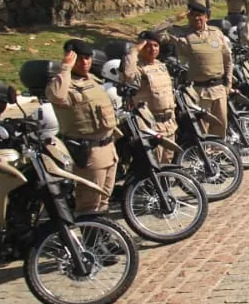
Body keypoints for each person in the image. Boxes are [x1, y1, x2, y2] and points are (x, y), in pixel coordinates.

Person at [46, 40, 119, 214]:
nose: (85, 63)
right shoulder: (62, 83)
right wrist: (65, 68)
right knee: (89, 204)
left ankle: (102, 237)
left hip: (108, 149)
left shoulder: (92, 80)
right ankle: (90, 239)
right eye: (79, 59)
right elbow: (56, 96)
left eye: (88, 58)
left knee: (104, 200)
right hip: (89, 152)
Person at [150, 2, 232, 137]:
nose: (196, 18)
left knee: (221, 126)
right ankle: (206, 154)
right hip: (198, 91)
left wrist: (228, 83)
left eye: (200, 15)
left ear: (206, 17)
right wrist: (175, 18)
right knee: (202, 129)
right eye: (192, 16)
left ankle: (219, 153)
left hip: (219, 88)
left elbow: (228, 59)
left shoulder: (216, 33)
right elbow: (155, 32)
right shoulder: (182, 34)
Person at [121, 31, 177, 158]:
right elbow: (128, 75)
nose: (152, 49)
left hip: (169, 125)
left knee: (168, 164)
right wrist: (134, 51)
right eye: (148, 46)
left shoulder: (161, 65)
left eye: (155, 45)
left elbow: (168, 95)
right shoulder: (138, 68)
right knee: (154, 166)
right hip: (151, 126)